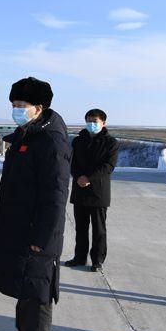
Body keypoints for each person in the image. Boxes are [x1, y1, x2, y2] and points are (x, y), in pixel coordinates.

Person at [0, 77, 71, 331]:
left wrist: (43, 237)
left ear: (39, 108)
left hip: (38, 230)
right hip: (20, 225)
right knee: (24, 285)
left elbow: (56, 195)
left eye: (22, 105)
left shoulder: (51, 141)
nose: (16, 109)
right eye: (14, 104)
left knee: (37, 290)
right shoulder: (28, 134)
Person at [65, 109, 119, 272]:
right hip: (80, 189)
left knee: (99, 229)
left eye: (95, 121)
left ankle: (97, 260)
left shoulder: (111, 143)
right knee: (80, 228)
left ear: (103, 123)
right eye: (89, 121)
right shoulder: (78, 141)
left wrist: (89, 178)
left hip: (98, 191)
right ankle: (79, 257)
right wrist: (79, 177)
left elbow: (108, 166)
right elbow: (72, 162)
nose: (91, 124)